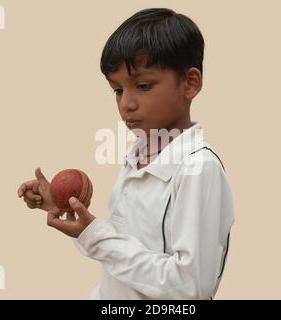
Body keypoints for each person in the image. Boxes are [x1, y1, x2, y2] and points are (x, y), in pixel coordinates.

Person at [17, 7, 234, 300]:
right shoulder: (138, 155)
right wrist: (68, 209)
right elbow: (123, 252)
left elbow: (190, 288)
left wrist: (95, 235)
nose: (126, 104)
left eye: (143, 86)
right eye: (117, 90)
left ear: (190, 83)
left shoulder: (198, 168)